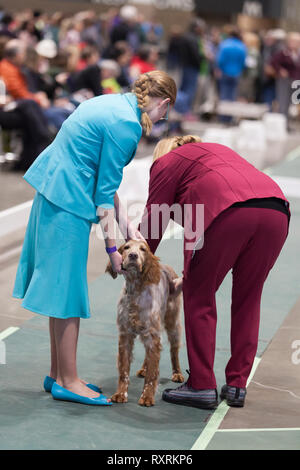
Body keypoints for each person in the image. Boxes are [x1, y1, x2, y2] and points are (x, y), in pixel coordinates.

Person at [12, 70, 177, 406]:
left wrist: (126, 223)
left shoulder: (112, 103)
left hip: (54, 190)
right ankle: (69, 382)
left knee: (61, 289)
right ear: (164, 103)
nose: (163, 118)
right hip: (68, 200)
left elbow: (103, 177)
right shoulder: (128, 126)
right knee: (69, 292)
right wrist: (112, 247)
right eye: (166, 112)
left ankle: (58, 373)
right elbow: (103, 192)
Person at [138, 135, 290, 409]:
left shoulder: (165, 163)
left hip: (224, 210)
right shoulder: (213, 153)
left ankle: (201, 385)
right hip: (276, 209)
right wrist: (190, 272)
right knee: (249, 297)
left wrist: (136, 263)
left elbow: (153, 222)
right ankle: (236, 385)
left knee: (199, 296)